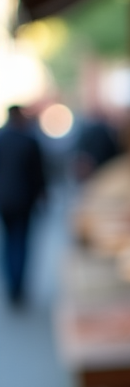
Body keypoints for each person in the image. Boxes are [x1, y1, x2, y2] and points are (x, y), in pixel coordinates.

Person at [0, 106, 47, 308]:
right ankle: (17, 287)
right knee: (20, 242)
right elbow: (39, 175)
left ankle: (12, 286)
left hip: (4, 200)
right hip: (24, 200)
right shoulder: (29, 140)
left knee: (10, 241)